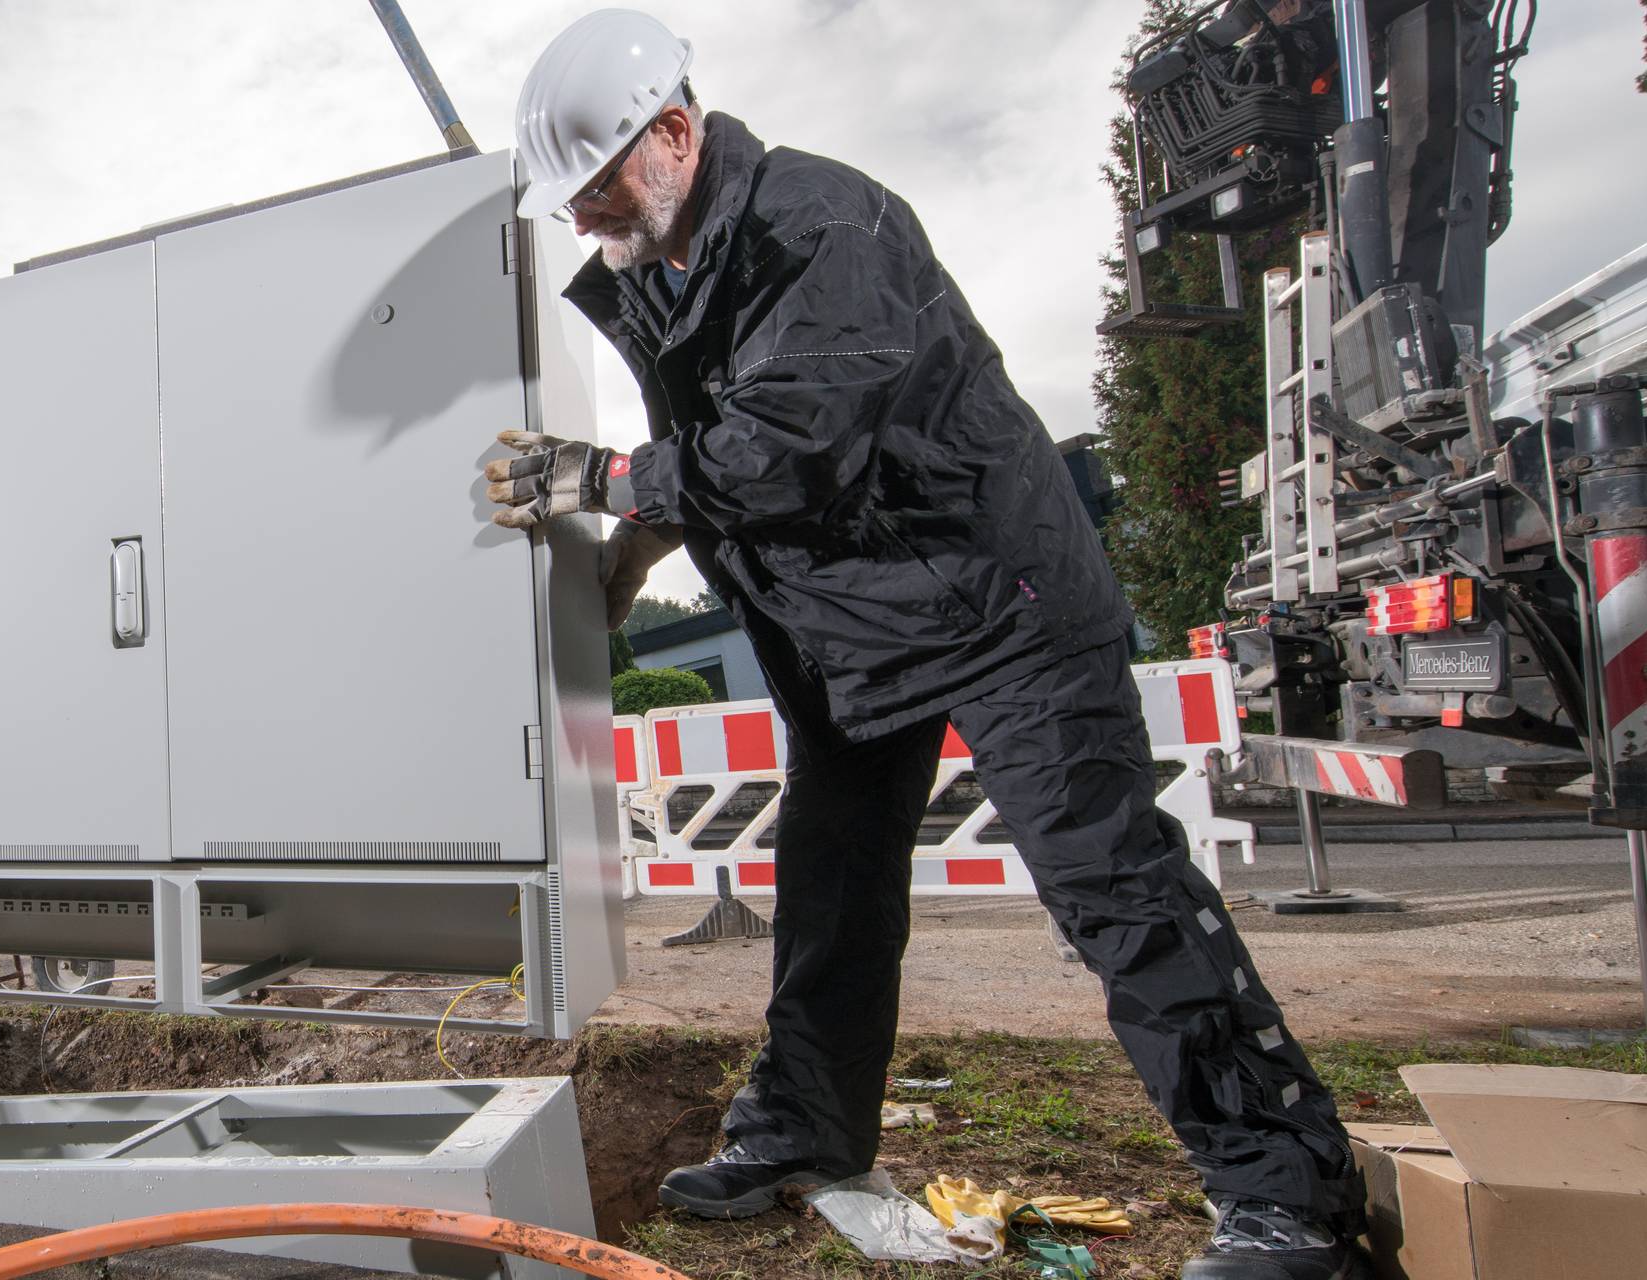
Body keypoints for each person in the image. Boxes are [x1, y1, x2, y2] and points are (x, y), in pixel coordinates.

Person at [489, 13, 1364, 1279]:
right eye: (569, 197)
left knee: (1111, 887)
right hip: (859, 622)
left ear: (672, 133)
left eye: (596, 185)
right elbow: (739, 431)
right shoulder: (675, 255)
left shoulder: (820, 223)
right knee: (830, 882)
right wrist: (649, 532)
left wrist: (607, 480)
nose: (582, 219)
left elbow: (793, 444)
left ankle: (1285, 1196)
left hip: (999, 601)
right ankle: (805, 1126)